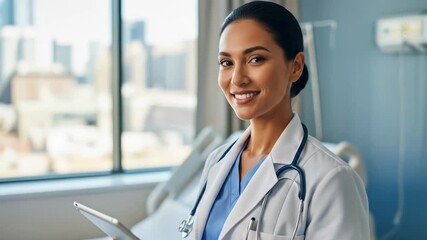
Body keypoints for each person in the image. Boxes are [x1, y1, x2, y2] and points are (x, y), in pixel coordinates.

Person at [188, 1, 369, 239]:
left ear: (295, 67)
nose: (237, 79)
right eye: (226, 63)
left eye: (255, 59)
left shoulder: (331, 179)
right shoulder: (217, 162)